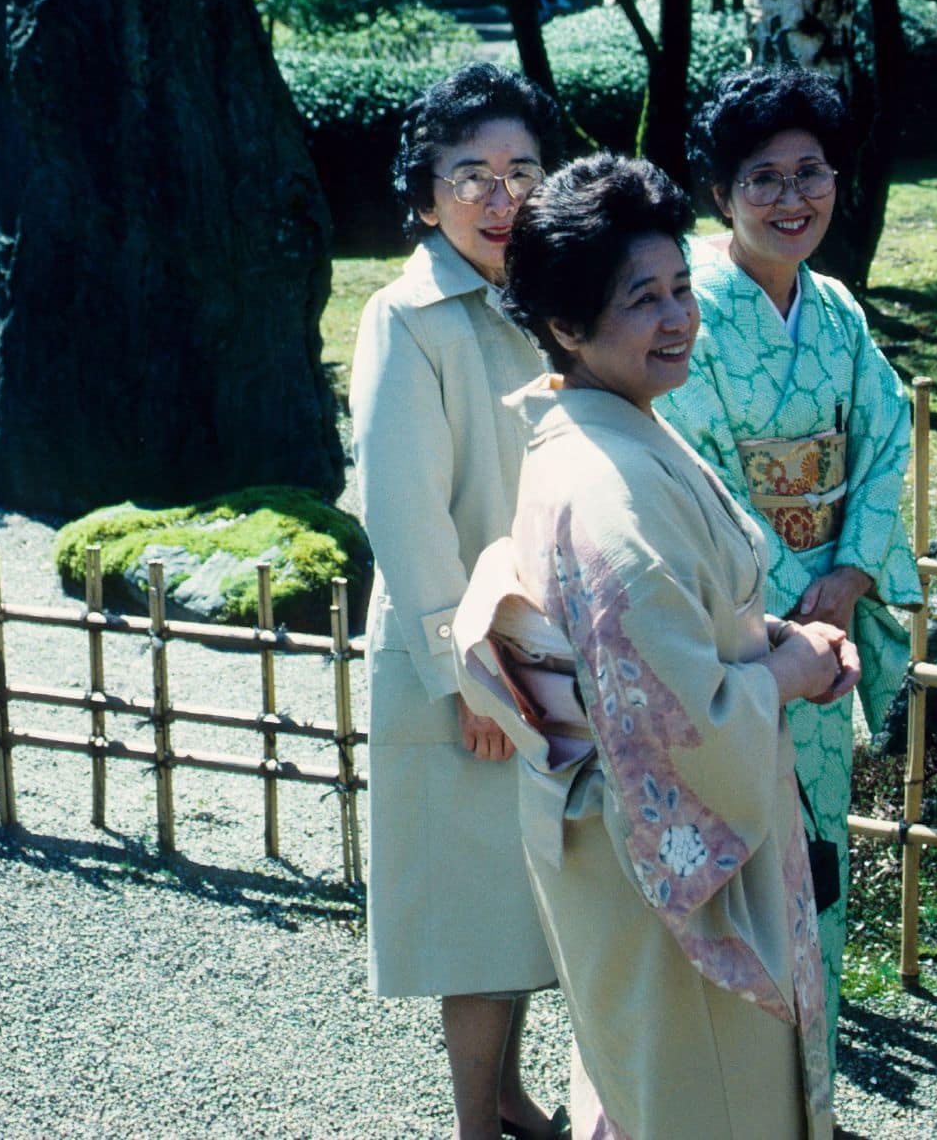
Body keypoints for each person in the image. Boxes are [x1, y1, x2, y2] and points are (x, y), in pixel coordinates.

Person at [452, 154, 858, 1138]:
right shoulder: (609, 492)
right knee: (703, 1099)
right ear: (565, 325)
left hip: (607, 839)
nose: (677, 315)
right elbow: (679, 720)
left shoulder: (609, 433)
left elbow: (668, 633)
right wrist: (787, 669)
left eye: (680, 286)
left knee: (648, 1087)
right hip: (654, 856)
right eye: (642, 298)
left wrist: (761, 635)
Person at [654, 66, 920, 1061]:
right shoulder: (684, 310)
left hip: (826, 619)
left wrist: (849, 576)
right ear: (719, 193)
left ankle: (805, 1077)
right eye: (760, 177)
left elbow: (887, 437)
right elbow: (697, 465)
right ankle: (718, 1086)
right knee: (730, 844)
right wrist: (786, 607)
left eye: (810, 172)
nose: (790, 197)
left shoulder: (839, 312)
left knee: (817, 852)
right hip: (731, 626)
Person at [350, 63, 569, 1140]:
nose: (499, 196)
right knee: (478, 912)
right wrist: (471, 677)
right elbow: (402, 514)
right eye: (469, 175)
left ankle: (509, 1097)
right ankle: (472, 1126)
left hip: (545, 652)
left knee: (527, 898)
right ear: (426, 193)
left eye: (522, 170)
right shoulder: (408, 317)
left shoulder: (546, 303)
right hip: (463, 670)